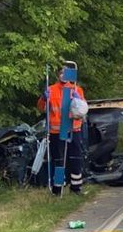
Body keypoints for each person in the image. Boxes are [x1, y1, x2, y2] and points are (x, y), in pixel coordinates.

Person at [38, 65, 88, 195]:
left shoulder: (76, 89)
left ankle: (76, 188)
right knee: (59, 161)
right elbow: (42, 108)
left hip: (74, 129)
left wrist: (78, 99)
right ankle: (57, 189)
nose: (63, 76)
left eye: (66, 73)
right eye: (61, 73)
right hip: (57, 132)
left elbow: (83, 109)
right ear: (57, 75)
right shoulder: (51, 90)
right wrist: (43, 98)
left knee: (75, 159)